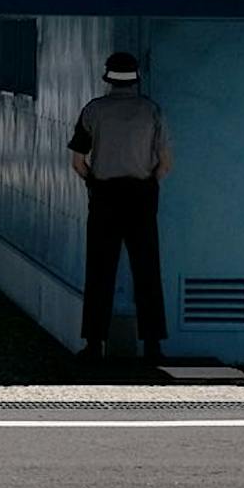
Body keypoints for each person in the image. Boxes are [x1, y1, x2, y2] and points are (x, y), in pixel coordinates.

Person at [69, 49, 173, 366]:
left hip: (104, 195)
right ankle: (153, 345)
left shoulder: (93, 110)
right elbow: (166, 162)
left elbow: (77, 161)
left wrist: (94, 182)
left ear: (108, 79)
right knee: (147, 269)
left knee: (100, 269)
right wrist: (150, 181)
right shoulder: (152, 111)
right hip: (141, 194)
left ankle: (94, 343)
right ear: (136, 79)